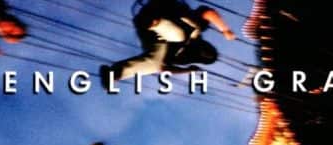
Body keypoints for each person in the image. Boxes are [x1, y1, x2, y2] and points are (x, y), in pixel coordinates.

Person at [100, 0, 234, 86]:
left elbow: (162, 68)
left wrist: (188, 70)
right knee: (182, 35)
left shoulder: (178, 58)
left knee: (155, 63)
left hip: (152, 34)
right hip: (167, 12)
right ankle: (154, 21)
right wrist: (225, 30)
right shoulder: (196, 31)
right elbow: (208, 13)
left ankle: (115, 73)